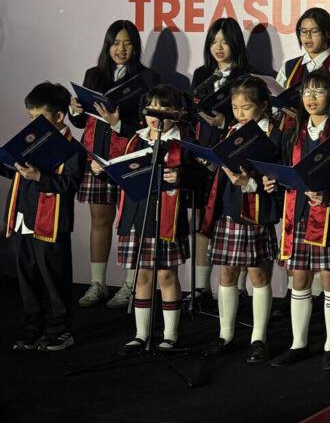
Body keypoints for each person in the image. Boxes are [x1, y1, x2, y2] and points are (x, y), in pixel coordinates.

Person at [264, 70, 330, 370]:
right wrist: (273, 182)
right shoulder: (293, 134)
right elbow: (286, 173)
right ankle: (299, 344)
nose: (312, 98)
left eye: (319, 92)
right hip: (298, 215)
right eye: (307, 92)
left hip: (328, 216)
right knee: (299, 278)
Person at [69, 19, 160, 310]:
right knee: (99, 221)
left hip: (130, 156)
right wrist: (74, 111)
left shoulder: (147, 78)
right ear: (108, 45)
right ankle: (98, 284)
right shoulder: (94, 75)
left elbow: (151, 125)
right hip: (97, 157)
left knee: (131, 224)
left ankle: (130, 285)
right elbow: (81, 121)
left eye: (127, 43)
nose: (121, 49)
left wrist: (118, 123)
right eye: (116, 43)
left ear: (136, 46)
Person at [101, 85, 193, 355]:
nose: (157, 115)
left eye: (164, 109)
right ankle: (141, 335)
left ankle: (170, 335)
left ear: (176, 113)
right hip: (136, 213)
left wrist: (181, 176)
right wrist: (102, 170)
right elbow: (123, 173)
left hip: (166, 216)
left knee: (166, 275)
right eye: (152, 109)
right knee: (142, 275)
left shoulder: (182, 142)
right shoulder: (136, 140)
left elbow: (201, 179)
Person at [200, 75, 283, 363]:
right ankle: (225, 334)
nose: (239, 113)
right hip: (229, 209)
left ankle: (258, 338)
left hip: (256, 211)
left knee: (258, 275)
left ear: (263, 106)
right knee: (227, 274)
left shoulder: (275, 135)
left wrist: (252, 182)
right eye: (235, 108)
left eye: (246, 107)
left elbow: (280, 181)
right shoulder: (231, 131)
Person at [7, 82, 84, 351]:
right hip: (22, 217)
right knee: (27, 278)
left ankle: (60, 330)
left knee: (55, 278)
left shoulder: (72, 148)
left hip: (50, 222)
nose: (33, 124)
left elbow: (70, 184)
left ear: (59, 116)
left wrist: (40, 175)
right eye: (30, 118)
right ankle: (33, 329)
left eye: (38, 118)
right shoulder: (31, 139)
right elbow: (15, 171)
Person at [190, 17, 251, 305]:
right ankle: (202, 287)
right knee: (202, 219)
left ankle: (237, 287)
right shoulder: (202, 74)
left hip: (233, 158)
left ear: (235, 44)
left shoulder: (246, 77)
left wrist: (224, 121)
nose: (218, 47)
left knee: (237, 221)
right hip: (204, 156)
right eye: (214, 41)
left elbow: (253, 121)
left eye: (224, 41)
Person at [276, 7, 330, 128]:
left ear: (328, 33)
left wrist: (310, 122)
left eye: (314, 31)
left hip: (322, 136)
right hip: (288, 134)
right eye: (303, 31)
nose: (308, 36)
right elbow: (275, 105)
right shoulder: (289, 67)